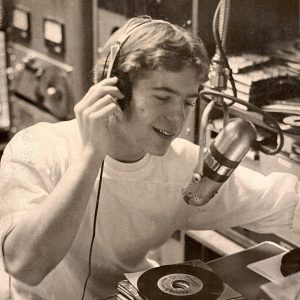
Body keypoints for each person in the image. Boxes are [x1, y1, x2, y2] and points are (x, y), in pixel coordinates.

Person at [0, 16, 299, 300]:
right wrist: (91, 155)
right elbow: (26, 265)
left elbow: (285, 202)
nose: (177, 116)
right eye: (162, 97)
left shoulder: (185, 168)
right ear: (116, 91)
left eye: (188, 101)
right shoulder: (35, 148)